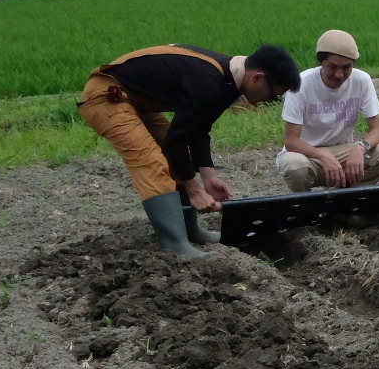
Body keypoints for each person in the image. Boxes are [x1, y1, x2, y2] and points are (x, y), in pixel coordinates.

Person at [76, 42, 301, 258]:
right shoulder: (208, 80)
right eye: (273, 95)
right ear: (258, 77)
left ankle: (191, 231)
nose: (269, 101)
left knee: (173, 157)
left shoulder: (230, 81)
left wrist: (209, 177)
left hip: (139, 101)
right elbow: (177, 139)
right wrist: (195, 191)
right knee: (151, 161)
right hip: (108, 94)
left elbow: (200, 129)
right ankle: (175, 243)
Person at [275, 29, 379, 191]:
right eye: (332, 67)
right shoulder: (301, 84)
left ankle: (348, 194)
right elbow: (291, 141)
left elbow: (378, 130)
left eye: (347, 67)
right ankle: (308, 203)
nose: (339, 74)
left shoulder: (361, 80)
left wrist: (360, 148)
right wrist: (322, 155)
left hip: (343, 152)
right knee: (295, 167)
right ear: (320, 61)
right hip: (308, 155)